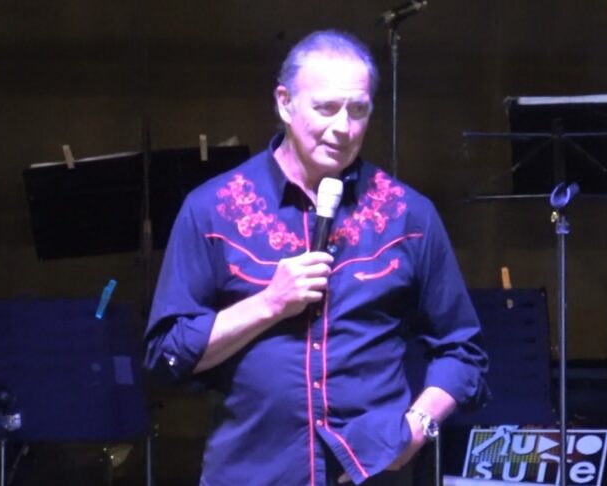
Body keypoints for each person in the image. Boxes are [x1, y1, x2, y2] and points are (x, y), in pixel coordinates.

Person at [144, 29, 489, 486]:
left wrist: (417, 429)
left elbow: (462, 349)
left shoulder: (408, 215)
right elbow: (167, 355)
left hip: (370, 472)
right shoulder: (212, 209)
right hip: (251, 473)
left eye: (358, 110)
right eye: (326, 108)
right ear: (285, 103)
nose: (343, 127)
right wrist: (269, 303)